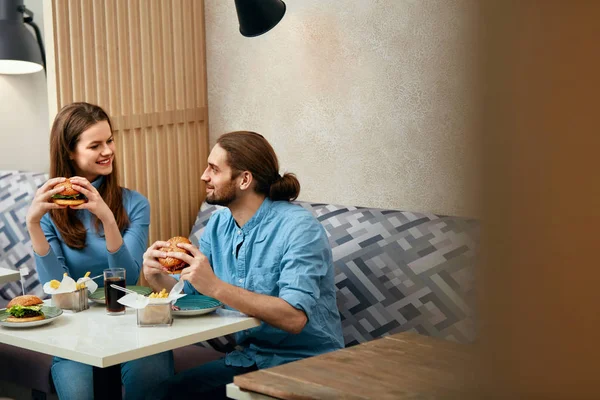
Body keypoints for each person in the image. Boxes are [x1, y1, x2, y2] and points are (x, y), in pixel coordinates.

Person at [143, 131, 344, 399]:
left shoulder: (299, 228)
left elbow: (294, 318)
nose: (204, 176)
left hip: (306, 364)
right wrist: (157, 278)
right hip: (247, 359)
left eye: (214, 169)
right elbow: (195, 296)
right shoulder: (218, 225)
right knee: (158, 395)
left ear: (245, 179)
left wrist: (215, 286)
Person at [26, 102, 174, 400]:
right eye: (95, 145)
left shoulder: (135, 204)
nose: (108, 151)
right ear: (70, 151)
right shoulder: (50, 209)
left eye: (110, 140)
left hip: (131, 326)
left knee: (150, 380)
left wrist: (107, 217)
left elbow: (129, 279)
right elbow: (58, 288)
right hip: (72, 331)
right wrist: (33, 224)